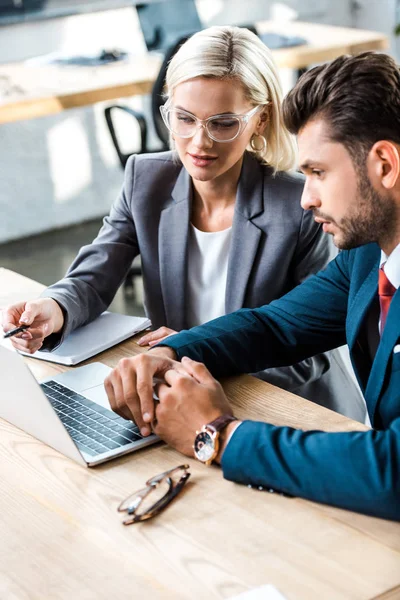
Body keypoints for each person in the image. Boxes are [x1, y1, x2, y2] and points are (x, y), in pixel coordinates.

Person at [3, 26, 364, 423]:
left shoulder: (301, 206)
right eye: (184, 119)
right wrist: (55, 307)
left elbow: (305, 352)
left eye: (223, 123)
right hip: (179, 399)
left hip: (291, 411)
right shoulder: (146, 179)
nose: (199, 143)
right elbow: (95, 274)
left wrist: (190, 352)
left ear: (260, 120)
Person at [102, 51, 400, 521]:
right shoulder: (369, 255)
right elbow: (275, 325)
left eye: (319, 172)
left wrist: (219, 434)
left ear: (384, 164)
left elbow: (393, 471)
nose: (306, 197)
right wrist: (170, 353)